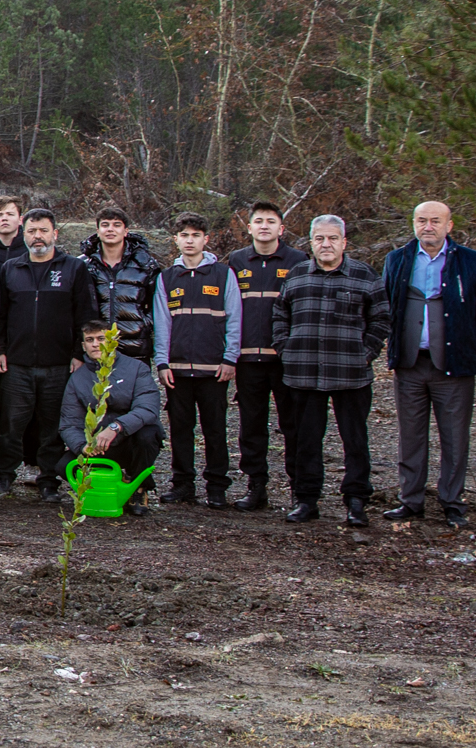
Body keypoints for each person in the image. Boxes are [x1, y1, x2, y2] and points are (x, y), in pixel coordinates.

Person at [381, 198, 476, 529]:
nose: (428, 227)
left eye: (435, 221)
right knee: (411, 436)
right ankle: (411, 500)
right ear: (414, 224)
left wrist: (465, 337)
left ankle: (452, 502)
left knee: (454, 437)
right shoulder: (397, 259)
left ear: (449, 226)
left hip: (454, 365)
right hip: (410, 364)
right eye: (422, 220)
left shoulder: (473, 262)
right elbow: (388, 303)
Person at [272, 213, 390, 526]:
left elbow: (380, 320)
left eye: (333, 239)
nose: (326, 244)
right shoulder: (297, 275)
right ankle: (307, 500)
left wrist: (365, 354)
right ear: (311, 243)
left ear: (344, 242)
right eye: (320, 239)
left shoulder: (365, 276)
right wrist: (286, 349)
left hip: (350, 375)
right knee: (305, 441)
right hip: (304, 374)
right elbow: (280, 316)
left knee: (355, 441)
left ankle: (356, 501)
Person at [0, 208, 103, 500]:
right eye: (32, 231)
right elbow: (0, 316)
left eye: (44, 231)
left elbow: (86, 315)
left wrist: (78, 353)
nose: (38, 237)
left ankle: (48, 480)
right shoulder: (12, 268)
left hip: (59, 364)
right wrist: (1, 348)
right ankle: (5, 477)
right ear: (24, 234)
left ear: (55, 234)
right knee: (11, 424)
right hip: (18, 364)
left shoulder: (73, 268)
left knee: (52, 426)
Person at [225, 202, 306, 512]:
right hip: (247, 360)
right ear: (249, 228)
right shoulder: (236, 260)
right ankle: (256, 486)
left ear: (281, 229)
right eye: (258, 221)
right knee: (252, 426)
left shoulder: (298, 261)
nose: (264, 226)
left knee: (292, 426)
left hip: (286, 360)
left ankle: (299, 489)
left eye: (271, 221)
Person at [152, 214, 236, 508]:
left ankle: (216, 487)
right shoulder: (166, 278)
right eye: (184, 235)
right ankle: (183, 484)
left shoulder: (223, 275)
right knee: (180, 430)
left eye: (196, 235)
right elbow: (162, 323)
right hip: (177, 371)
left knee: (215, 430)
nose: (190, 240)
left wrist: (230, 358)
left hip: (214, 370)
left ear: (206, 239)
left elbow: (234, 318)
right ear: (175, 239)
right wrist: (162, 363)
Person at [60, 318, 165, 496]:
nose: (95, 344)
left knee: (148, 434)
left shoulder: (137, 368)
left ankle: (139, 489)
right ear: (83, 345)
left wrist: (116, 427)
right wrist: (82, 446)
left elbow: (148, 409)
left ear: (113, 340)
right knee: (63, 466)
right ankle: (116, 485)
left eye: (101, 339)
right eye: (90, 340)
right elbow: (69, 422)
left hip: (129, 440)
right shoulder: (77, 379)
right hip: (98, 446)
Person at [78, 208, 159, 367]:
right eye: (105, 225)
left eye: (116, 225)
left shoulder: (145, 264)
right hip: (96, 350)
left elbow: (157, 303)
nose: (110, 229)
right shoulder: (83, 265)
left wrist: (143, 324)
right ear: (97, 230)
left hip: (135, 349)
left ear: (125, 231)